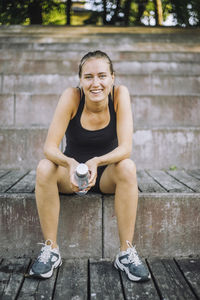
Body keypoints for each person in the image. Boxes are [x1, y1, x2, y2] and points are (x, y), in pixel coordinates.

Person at [29, 50, 150, 282]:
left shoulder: (119, 95)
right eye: (88, 77)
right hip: (71, 175)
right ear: (80, 80)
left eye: (102, 76)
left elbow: (125, 148)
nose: (96, 83)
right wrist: (71, 163)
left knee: (128, 166)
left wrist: (96, 161)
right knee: (45, 167)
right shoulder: (72, 96)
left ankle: (126, 253)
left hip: (106, 175)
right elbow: (49, 148)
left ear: (113, 78)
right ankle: (51, 250)